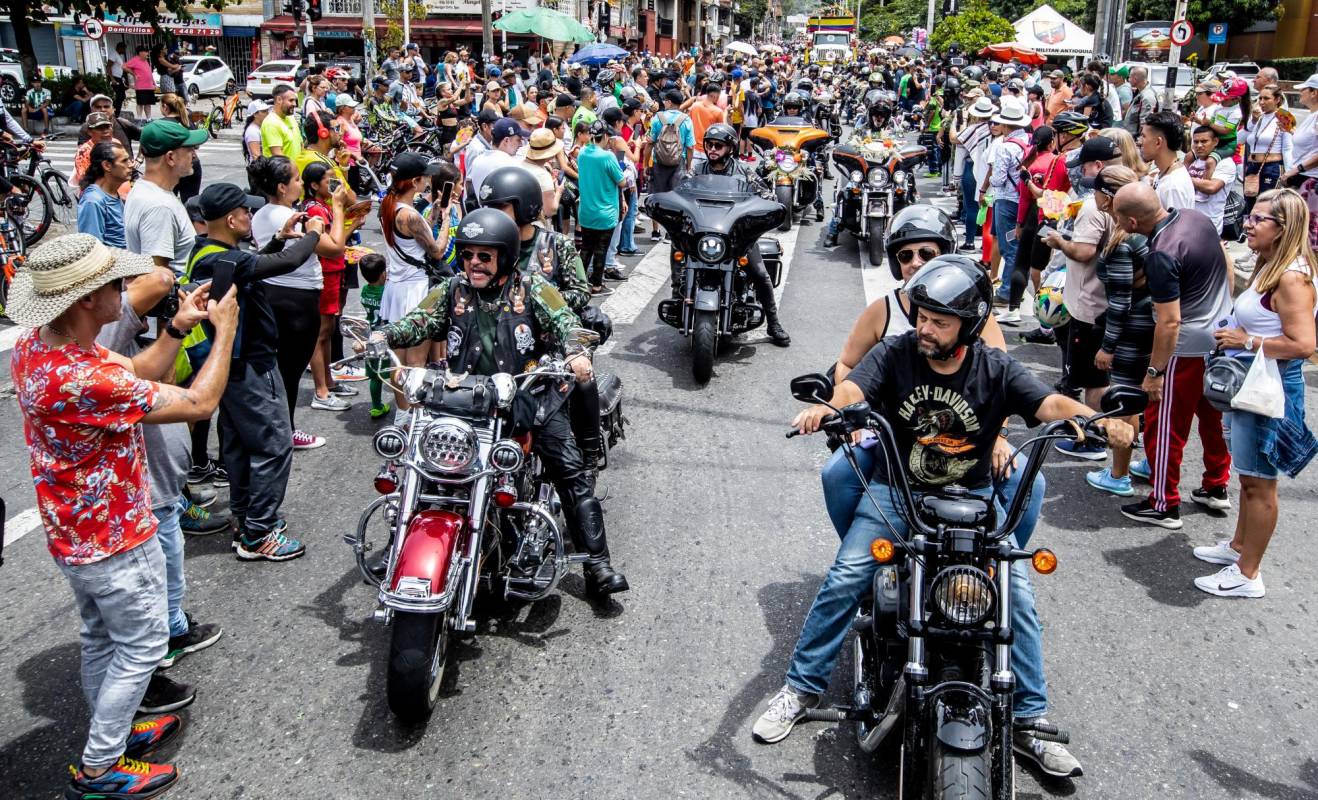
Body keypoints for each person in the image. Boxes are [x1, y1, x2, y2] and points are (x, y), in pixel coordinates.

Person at [756, 256, 1126, 779]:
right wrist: (829, 408)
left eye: (939, 321)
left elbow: (1047, 405)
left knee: (1016, 595)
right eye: (922, 316)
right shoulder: (896, 352)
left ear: (969, 326)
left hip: (974, 502)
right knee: (845, 577)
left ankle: (1028, 719)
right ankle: (800, 688)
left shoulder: (995, 368)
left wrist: (1096, 421)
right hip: (897, 492)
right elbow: (854, 388)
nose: (924, 328)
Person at [9, 233, 239, 800]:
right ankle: (100, 766)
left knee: (100, 639)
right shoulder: (84, 378)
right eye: (116, 283)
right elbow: (198, 403)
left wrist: (179, 327)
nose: (126, 290)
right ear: (87, 299)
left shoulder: (43, 347)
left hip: (76, 532)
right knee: (141, 646)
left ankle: (116, 732)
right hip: (114, 535)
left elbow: (139, 370)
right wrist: (225, 332)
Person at [369, 207, 629, 597]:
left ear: (505, 257)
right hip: (464, 401)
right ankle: (399, 542)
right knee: (416, 464)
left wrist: (575, 349)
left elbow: (564, 322)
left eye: (484, 256)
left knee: (570, 473)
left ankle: (596, 562)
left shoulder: (535, 290)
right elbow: (417, 323)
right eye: (468, 254)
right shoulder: (453, 290)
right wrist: (385, 335)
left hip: (529, 399)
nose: (474, 263)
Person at [186, 180, 325, 558]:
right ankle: (259, 533)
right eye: (246, 211)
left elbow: (258, 265)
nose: (251, 215)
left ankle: (246, 518)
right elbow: (286, 263)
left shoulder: (209, 252)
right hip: (250, 365)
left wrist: (280, 237)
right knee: (274, 443)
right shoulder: (225, 259)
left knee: (240, 445)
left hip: (230, 365)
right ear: (232, 219)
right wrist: (312, 234)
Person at [1195, 189, 1317, 597]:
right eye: (1250, 216)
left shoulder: (1292, 278)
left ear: (1283, 229)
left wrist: (1245, 342)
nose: (1247, 222)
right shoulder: (1272, 265)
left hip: (1267, 388)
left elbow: (1303, 345)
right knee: (1248, 478)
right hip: (1249, 384)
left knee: (1259, 484)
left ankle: (1248, 574)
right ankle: (1238, 548)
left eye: (1258, 219)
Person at [1110, 182, 1233, 529]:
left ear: (1132, 222)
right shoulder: (1196, 219)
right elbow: (1225, 259)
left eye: (1118, 217)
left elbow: (1170, 321)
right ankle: (1216, 485)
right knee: (1213, 419)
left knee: (1165, 427)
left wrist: (1154, 371)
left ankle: (1164, 502)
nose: (1117, 224)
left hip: (1184, 349)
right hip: (1220, 336)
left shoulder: (1161, 253)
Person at [1083, 166, 1155, 497]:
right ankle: (1151, 463)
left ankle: (1119, 474)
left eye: (1097, 191)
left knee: (1125, 400)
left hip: (1132, 330)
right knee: (1141, 400)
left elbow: (1120, 302)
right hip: (1145, 326)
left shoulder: (1124, 241)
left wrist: (1108, 346)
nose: (1092, 196)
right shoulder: (1137, 234)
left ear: (1110, 198)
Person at [689, 123, 790, 346]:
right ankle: (680, 291)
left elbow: (767, 195)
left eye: (718, 145)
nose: (712, 149)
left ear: (731, 148)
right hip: (706, 234)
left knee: (761, 274)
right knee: (678, 248)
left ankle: (773, 323)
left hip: (737, 237)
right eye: (709, 145)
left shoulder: (744, 171)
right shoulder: (696, 171)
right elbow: (682, 192)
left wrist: (764, 208)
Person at [378, 153, 449, 413]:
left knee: (398, 358)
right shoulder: (409, 216)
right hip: (416, 290)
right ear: (415, 181)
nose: (428, 181)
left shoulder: (388, 205)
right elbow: (437, 251)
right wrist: (446, 223)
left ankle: (401, 413)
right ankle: (413, 416)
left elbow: (412, 239)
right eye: (425, 177)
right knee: (416, 362)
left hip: (396, 289)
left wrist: (432, 215)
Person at [125, 120, 207, 277]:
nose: (195, 155)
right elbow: (156, 279)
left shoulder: (144, 189)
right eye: (189, 149)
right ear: (170, 157)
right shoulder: (160, 207)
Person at [981, 97, 1031, 303]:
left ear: (1006, 124)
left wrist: (988, 181)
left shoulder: (1004, 147)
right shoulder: (1027, 140)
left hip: (1006, 200)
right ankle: (1015, 285)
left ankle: (1008, 291)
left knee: (1009, 246)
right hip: (1022, 199)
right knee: (1017, 245)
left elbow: (999, 179)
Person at [576, 121, 628, 295]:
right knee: (600, 251)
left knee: (586, 249)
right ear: (605, 136)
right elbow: (621, 181)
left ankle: (579, 285)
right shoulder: (607, 157)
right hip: (605, 212)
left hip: (586, 211)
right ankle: (597, 286)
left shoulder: (582, 153)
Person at [1241, 83, 1294, 215]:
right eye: (1260, 98)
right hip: (1253, 166)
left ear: (1277, 100)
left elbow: (1288, 147)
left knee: (1266, 205)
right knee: (1250, 203)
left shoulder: (1285, 116)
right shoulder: (1259, 117)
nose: (1262, 102)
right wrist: (1253, 120)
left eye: (1266, 98)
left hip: (1272, 166)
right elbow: (1241, 138)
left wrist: (1288, 172)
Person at [77, 141, 131, 247]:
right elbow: (92, 248)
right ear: (107, 165)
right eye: (124, 161)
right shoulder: (93, 201)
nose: (130, 164)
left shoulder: (113, 193)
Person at [357, 253, 391, 419]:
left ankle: (377, 406)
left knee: (375, 376)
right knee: (395, 370)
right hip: (386, 337)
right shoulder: (387, 291)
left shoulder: (365, 291)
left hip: (371, 338)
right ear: (383, 273)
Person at [1141, 110, 1194, 211]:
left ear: (1158, 142)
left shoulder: (1173, 186)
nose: (1140, 142)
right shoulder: (1163, 172)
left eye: (1144, 136)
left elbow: (1177, 225)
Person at [1187, 126, 1237, 233]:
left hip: (1208, 225)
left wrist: (1183, 177)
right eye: (1196, 142)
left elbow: (1211, 187)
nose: (1199, 145)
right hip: (1187, 221)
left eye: (1204, 141)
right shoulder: (1191, 160)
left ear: (1215, 141)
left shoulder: (1225, 163)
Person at [158, 93, 203, 202]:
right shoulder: (187, 122)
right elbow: (196, 145)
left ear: (165, 107)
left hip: (172, 167)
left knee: (167, 203)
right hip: (192, 164)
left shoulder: (160, 124)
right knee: (191, 206)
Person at [78, 93, 142, 159]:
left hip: (126, 167)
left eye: (106, 107)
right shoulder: (86, 127)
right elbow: (82, 153)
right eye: (98, 107)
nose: (103, 110)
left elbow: (146, 138)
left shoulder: (124, 124)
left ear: (113, 109)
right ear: (91, 110)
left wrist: (139, 158)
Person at [688, 80, 726, 171]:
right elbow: (722, 129)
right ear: (715, 96)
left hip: (693, 148)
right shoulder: (718, 111)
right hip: (709, 149)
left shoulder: (694, 106)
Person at [260, 84, 303, 159]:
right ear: (279, 100)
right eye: (291, 100)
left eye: (295, 100)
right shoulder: (271, 123)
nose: (295, 104)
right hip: (283, 170)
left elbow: (300, 145)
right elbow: (278, 156)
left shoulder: (291, 118)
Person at [1121, 66, 1159, 136]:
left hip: (1136, 138)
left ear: (1135, 79)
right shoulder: (1139, 92)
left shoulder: (1147, 96)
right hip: (1130, 135)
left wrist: (1140, 140)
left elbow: (1145, 123)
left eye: (1129, 77)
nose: (1128, 80)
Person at [124, 45, 156, 120]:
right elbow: (124, 66)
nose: (147, 53)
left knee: (148, 103)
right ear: (140, 52)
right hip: (141, 86)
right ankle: (139, 118)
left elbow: (149, 73)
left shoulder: (145, 61)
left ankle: (149, 118)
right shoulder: (135, 60)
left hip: (149, 86)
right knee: (140, 103)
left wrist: (153, 83)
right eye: (146, 52)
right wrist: (134, 74)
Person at [107, 42, 128, 115]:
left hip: (119, 78)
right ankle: (114, 113)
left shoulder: (118, 56)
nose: (125, 51)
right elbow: (108, 66)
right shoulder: (113, 55)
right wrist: (112, 78)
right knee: (119, 96)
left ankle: (116, 113)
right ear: (120, 48)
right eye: (124, 49)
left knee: (121, 96)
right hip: (114, 78)